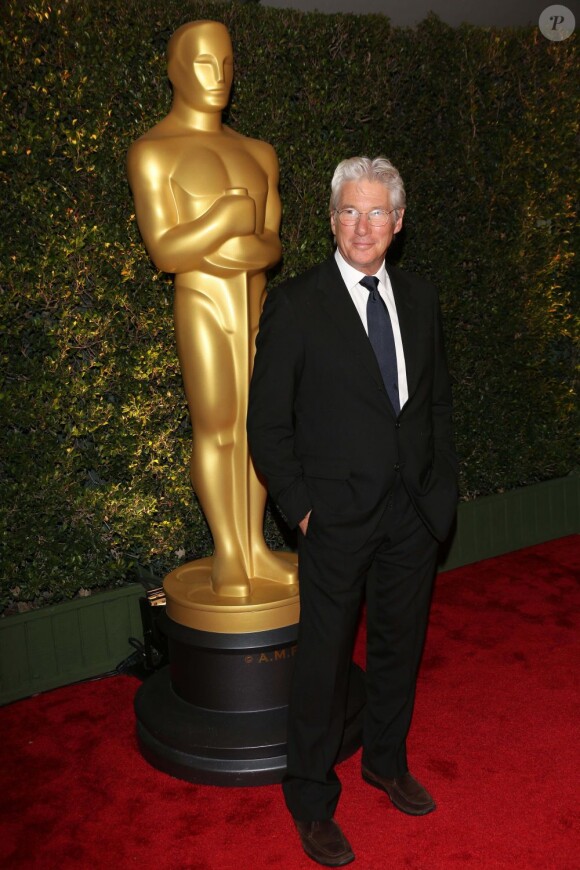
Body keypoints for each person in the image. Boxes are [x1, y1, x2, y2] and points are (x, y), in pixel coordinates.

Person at [247, 156, 458, 866]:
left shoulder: (423, 298)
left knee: (400, 647)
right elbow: (267, 426)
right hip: (333, 518)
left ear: (397, 224)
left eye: (377, 213)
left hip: (411, 512)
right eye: (349, 211)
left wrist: (440, 492)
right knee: (324, 663)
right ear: (332, 218)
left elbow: (436, 406)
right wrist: (302, 511)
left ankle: (385, 761)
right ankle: (309, 795)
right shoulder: (298, 303)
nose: (362, 227)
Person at [127, 20, 297, 598]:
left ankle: (255, 547)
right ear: (176, 70)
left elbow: (271, 244)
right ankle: (229, 549)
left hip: (254, 304)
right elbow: (166, 251)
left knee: (261, 427)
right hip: (201, 302)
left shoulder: (258, 152)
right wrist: (223, 222)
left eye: (227, 64)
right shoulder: (154, 153)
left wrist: (240, 242)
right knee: (218, 424)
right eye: (204, 64)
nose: (218, 77)